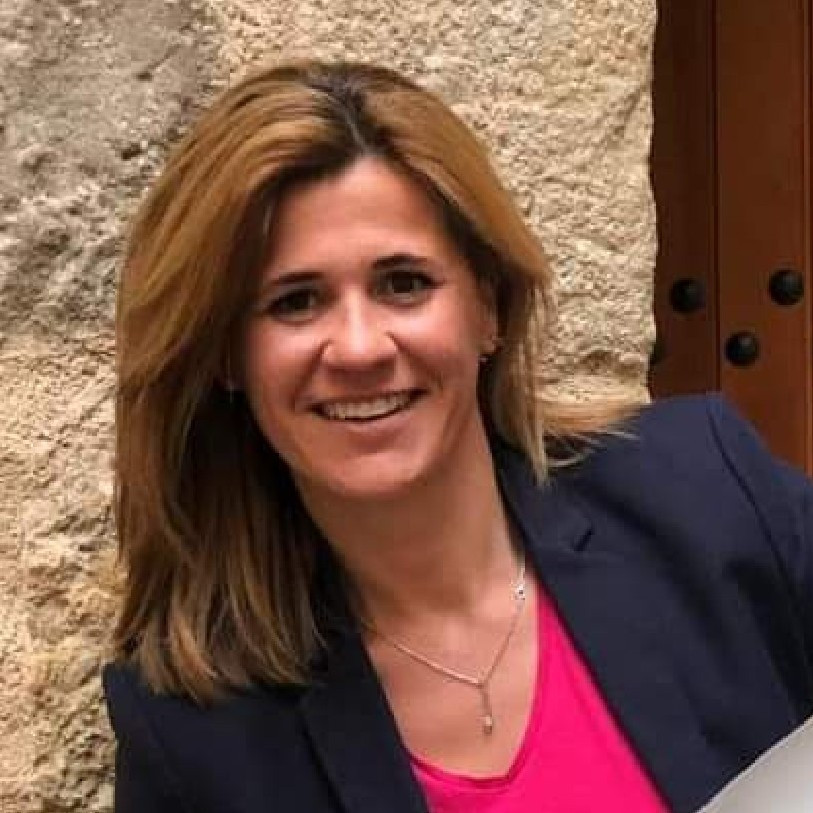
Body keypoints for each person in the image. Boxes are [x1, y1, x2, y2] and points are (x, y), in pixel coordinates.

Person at [104, 60, 813, 813]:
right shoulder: (196, 731)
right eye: (295, 301)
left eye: (403, 283)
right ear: (225, 355)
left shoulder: (705, 494)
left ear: (489, 306)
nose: (360, 347)